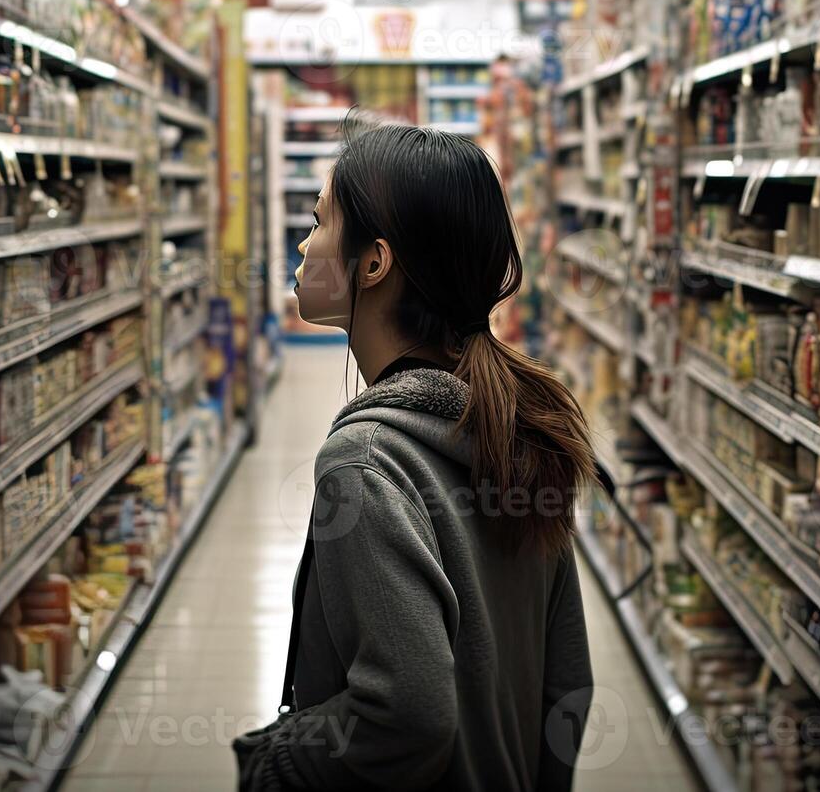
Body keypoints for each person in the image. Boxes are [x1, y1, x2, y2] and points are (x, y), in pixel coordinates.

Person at [233, 116, 597, 791]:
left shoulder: (366, 464)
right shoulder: (514, 426)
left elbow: (407, 717)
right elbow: (567, 686)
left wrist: (273, 760)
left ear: (373, 261)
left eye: (319, 222)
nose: (305, 244)